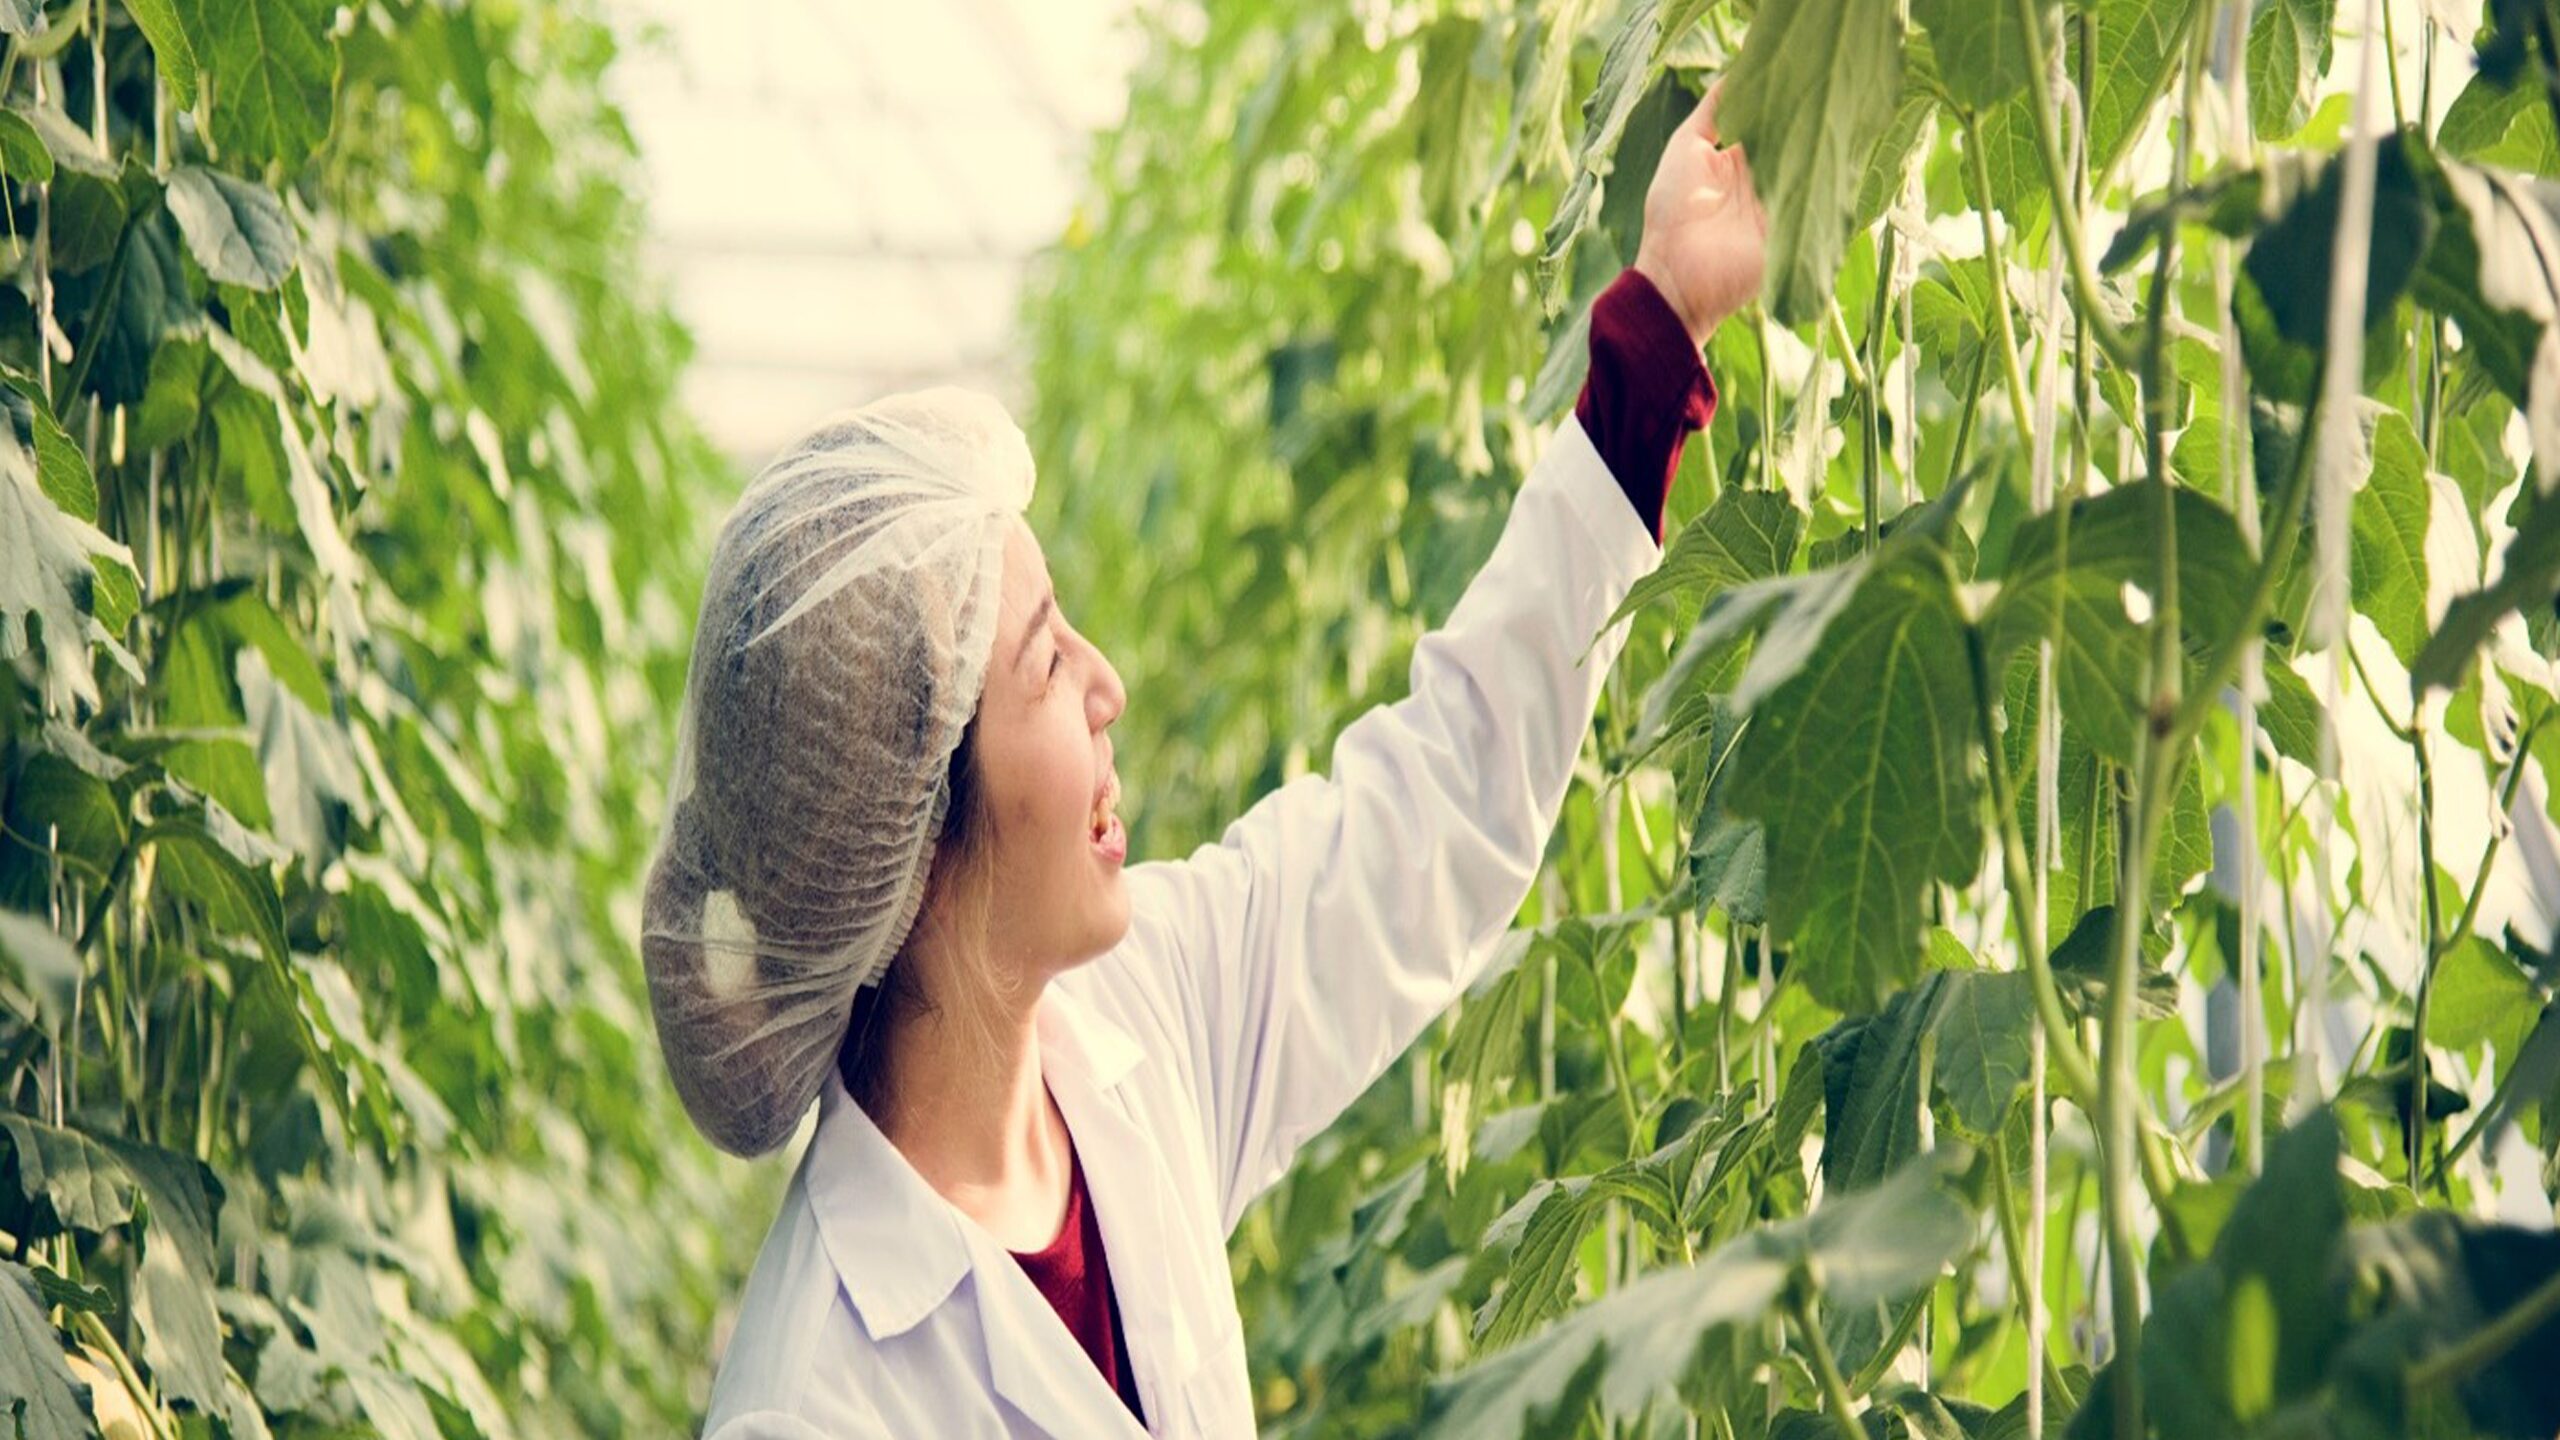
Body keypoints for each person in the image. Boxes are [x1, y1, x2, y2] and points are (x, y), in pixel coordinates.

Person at [640, 80, 1767, 1440]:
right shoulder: (817, 1405)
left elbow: (1431, 809)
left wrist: (1659, 327)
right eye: (1049, 664)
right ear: (913, 847)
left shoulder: (1133, 1022)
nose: (1108, 687)